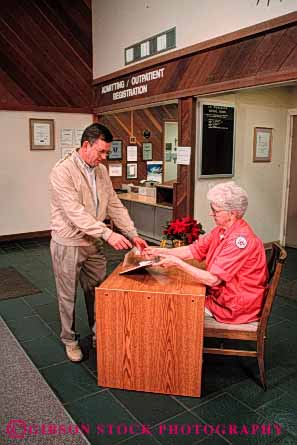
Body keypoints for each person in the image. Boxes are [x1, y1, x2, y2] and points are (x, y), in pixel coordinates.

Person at [49, 123, 147, 362]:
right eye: (101, 152)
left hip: (93, 241)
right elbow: (75, 213)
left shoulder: (100, 171)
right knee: (67, 295)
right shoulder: (62, 172)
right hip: (69, 242)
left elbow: (113, 204)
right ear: (86, 145)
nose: (104, 158)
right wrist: (108, 234)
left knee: (97, 291)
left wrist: (131, 233)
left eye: (106, 153)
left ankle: (98, 333)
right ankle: (69, 340)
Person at [144, 182, 268, 324]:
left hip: (234, 307)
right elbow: (192, 250)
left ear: (232, 213)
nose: (211, 213)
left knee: (171, 308)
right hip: (223, 297)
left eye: (215, 210)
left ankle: (182, 342)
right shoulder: (221, 230)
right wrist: (159, 250)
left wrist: (178, 263)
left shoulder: (240, 240)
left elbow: (213, 279)